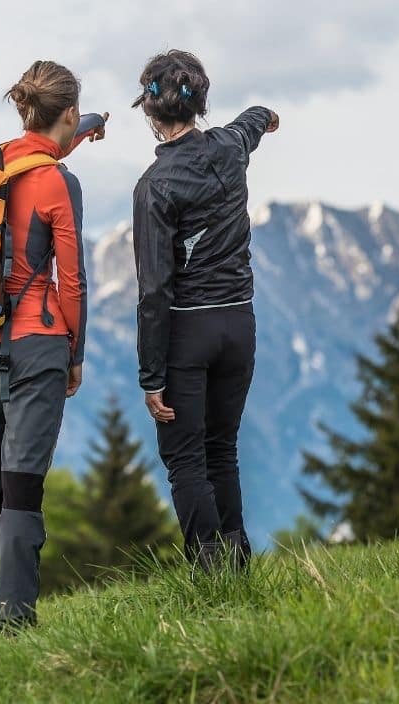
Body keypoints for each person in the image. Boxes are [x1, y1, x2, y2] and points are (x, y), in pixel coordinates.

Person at [0, 60, 105, 627]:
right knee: (21, 488)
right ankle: (13, 619)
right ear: (64, 112)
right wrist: (75, 353)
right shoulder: (59, 182)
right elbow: (74, 279)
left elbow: (44, 149)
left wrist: (85, 126)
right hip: (37, 345)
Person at [131, 49, 279, 572]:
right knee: (223, 448)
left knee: (186, 459)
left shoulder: (154, 187)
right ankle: (238, 563)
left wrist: (151, 375)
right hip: (240, 322)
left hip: (188, 331)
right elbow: (255, 119)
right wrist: (269, 117)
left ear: (150, 113)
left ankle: (212, 572)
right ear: (201, 102)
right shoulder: (232, 145)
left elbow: (153, 290)